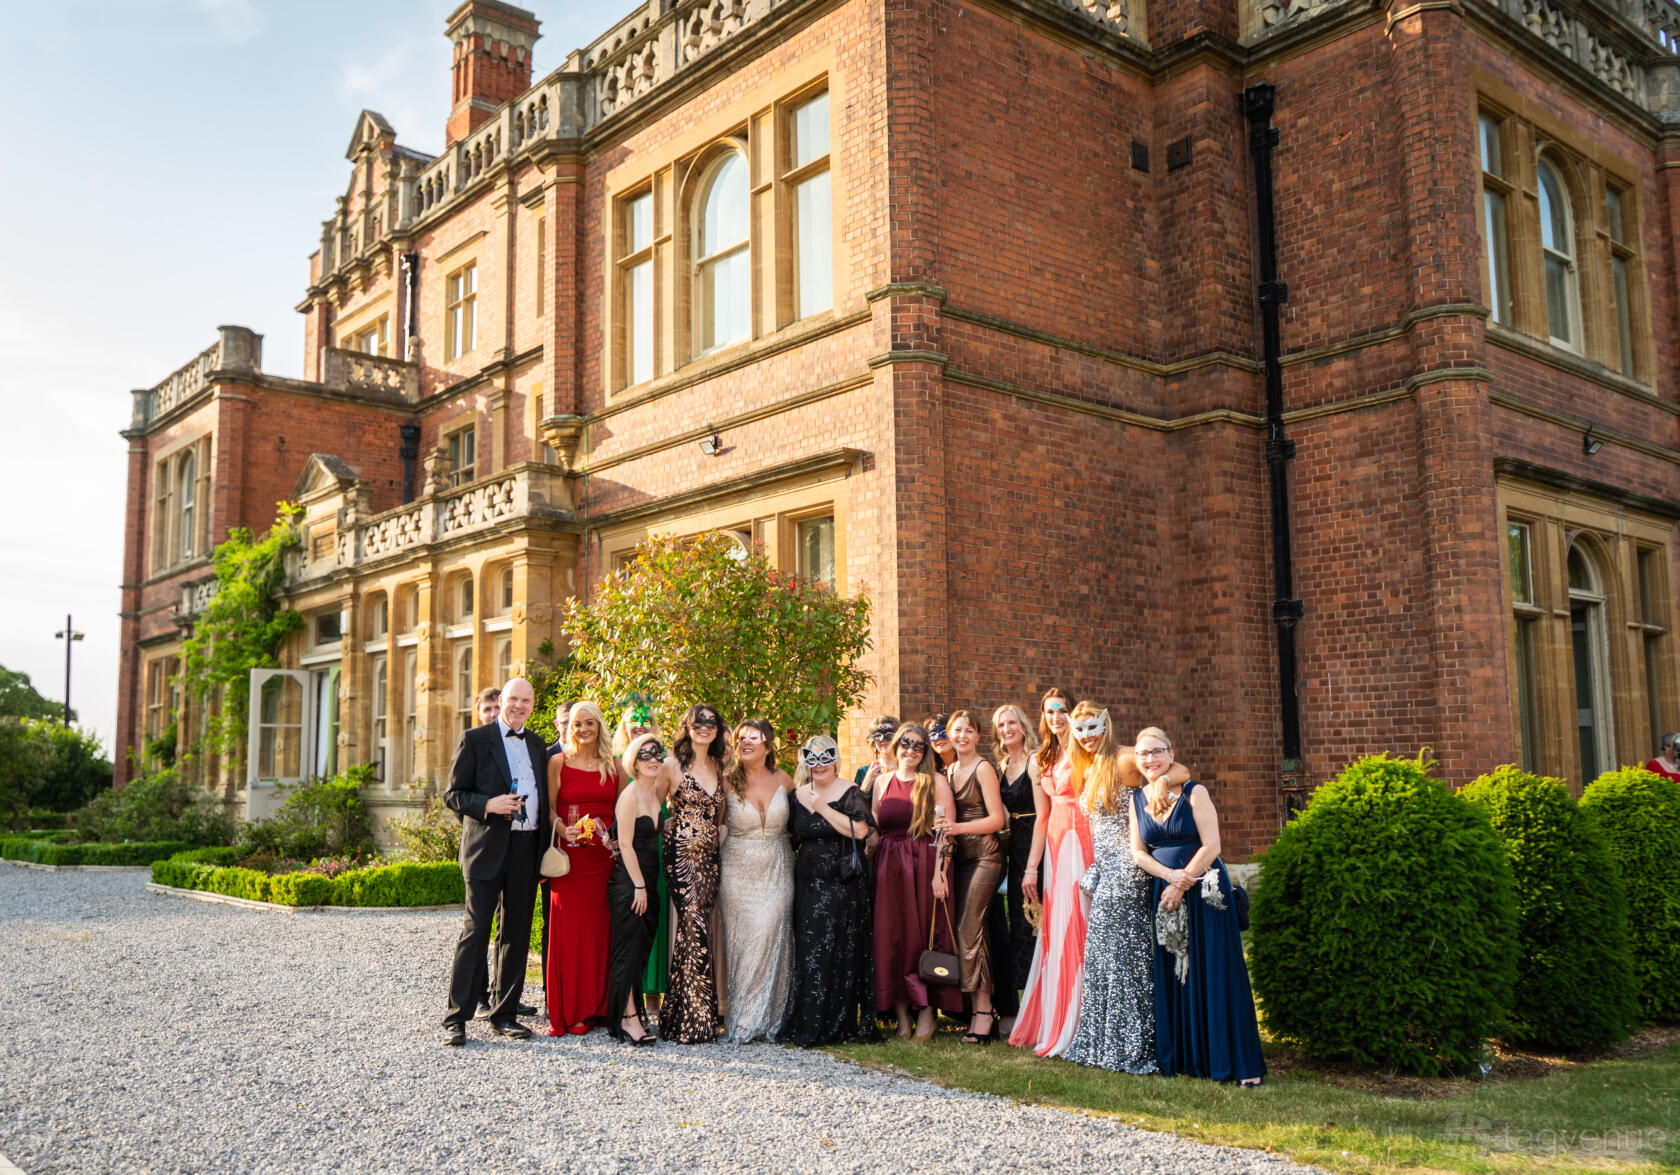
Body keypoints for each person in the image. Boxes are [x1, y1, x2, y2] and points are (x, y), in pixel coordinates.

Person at [1130, 726, 1265, 1086]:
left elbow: (1212, 845)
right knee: (1176, 973)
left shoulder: (1194, 792)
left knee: (1215, 972)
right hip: (1164, 891)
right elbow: (1138, 853)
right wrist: (1169, 879)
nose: (1151, 759)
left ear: (1171, 755)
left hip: (1205, 889)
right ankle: (1187, 1059)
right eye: (1143, 754)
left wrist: (1183, 880)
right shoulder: (1137, 798)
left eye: (1157, 751)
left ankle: (1235, 1063)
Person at [441, 677, 548, 1046]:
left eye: (526, 701)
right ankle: (457, 1017)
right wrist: (488, 805)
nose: (519, 706)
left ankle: (504, 1013)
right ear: (502, 700)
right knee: (475, 933)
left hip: (525, 849)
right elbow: (453, 794)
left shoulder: (537, 744)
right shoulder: (475, 739)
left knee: (515, 935)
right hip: (486, 849)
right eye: (513, 699)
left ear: (533, 705)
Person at [1065, 708, 1158, 1075]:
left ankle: (1134, 1044)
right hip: (1106, 870)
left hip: (1128, 868)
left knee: (1125, 957)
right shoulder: (1089, 766)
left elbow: (1174, 771)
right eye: (1080, 731)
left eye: (1093, 728)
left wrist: (1162, 785)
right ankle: (1107, 1040)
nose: (1087, 736)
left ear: (1105, 725)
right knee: (1105, 955)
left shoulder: (1124, 757)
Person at [782, 735, 878, 1047]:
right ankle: (810, 1021)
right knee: (810, 950)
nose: (820, 766)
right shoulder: (797, 795)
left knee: (837, 949)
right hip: (808, 883)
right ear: (805, 762)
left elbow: (861, 830)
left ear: (835, 761)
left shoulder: (848, 791)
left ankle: (838, 1023)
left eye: (826, 759)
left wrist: (822, 807)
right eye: (813, 759)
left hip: (842, 882)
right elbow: (791, 834)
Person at [1008, 687, 1087, 1056]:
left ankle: (1084, 1016)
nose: (1056, 717)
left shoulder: (1087, 750)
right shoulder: (1042, 757)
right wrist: (1031, 869)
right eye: (1050, 711)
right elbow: (1041, 818)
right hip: (1055, 843)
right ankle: (1057, 1014)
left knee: (1082, 922)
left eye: (1062, 710)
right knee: (1057, 927)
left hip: (1084, 838)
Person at [873, 722, 960, 1039]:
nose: (910, 750)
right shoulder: (882, 781)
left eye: (918, 746)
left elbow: (945, 833)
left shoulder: (935, 782)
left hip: (924, 865)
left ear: (925, 752)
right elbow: (876, 827)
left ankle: (926, 1012)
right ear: (895, 746)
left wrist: (940, 873)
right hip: (888, 869)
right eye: (905, 744)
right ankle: (901, 1016)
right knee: (891, 939)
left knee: (921, 938)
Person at [543, 701, 622, 1036]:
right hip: (570, 862)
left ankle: (601, 1008)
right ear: (568, 727)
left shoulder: (615, 765)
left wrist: (613, 837)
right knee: (570, 934)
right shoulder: (558, 762)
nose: (583, 729)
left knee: (601, 932)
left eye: (589, 723)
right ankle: (572, 1010)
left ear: (600, 726)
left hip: (603, 861)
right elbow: (547, 810)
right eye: (577, 724)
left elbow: (622, 811)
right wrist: (562, 829)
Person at [719, 718, 795, 1043]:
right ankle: (746, 1021)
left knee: (771, 929)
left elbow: (804, 821)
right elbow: (716, 825)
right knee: (745, 944)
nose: (746, 742)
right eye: (741, 738)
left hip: (778, 866)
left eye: (754, 736)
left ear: (768, 743)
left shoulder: (784, 779)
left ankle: (773, 1016)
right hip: (737, 869)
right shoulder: (726, 781)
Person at [657, 703, 729, 1043]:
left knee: (696, 934)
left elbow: (720, 813)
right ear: (687, 726)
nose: (704, 727)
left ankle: (678, 1018)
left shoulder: (718, 764)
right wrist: (666, 823)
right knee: (694, 927)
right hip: (681, 859)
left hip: (710, 860)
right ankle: (695, 1023)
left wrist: (720, 831)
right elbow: (651, 805)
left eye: (711, 723)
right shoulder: (672, 766)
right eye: (698, 722)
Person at [940, 710, 1006, 1044]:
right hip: (960, 860)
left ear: (978, 736)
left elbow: (997, 819)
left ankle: (984, 1013)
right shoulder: (949, 770)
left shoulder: (983, 769)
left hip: (985, 857)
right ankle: (974, 1007)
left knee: (970, 929)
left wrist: (957, 828)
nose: (962, 736)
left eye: (968, 731)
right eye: (956, 730)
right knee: (964, 931)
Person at [607, 732, 666, 1045]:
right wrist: (640, 887)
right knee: (628, 953)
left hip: (648, 883)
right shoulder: (629, 796)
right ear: (635, 762)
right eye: (646, 755)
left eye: (658, 754)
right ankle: (627, 1019)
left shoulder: (654, 792)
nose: (654, 759)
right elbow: (626, 846)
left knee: (640, 951)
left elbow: (654, 831)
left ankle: (630, 1013)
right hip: (630, 885)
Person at [990, 701, 1040, 1035]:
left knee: (1037, 922)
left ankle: (1044, 1004)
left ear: (1023, 726)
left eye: (1012, 723)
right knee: (1020, 927)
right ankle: (1025, 1007)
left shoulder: (1036, 761)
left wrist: (1033, 865)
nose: (1007, 729)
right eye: (1001, 725)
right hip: (1013, 848)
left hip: (1037, 843)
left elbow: (1043, 811)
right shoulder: (1003, 764)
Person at [854, 715, 899, 796]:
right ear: (873, 741)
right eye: (878, 735)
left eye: (889, 734)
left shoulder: (908, 769)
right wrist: (865, 786)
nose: (883, 739)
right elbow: (853, 806)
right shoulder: (863, 772)